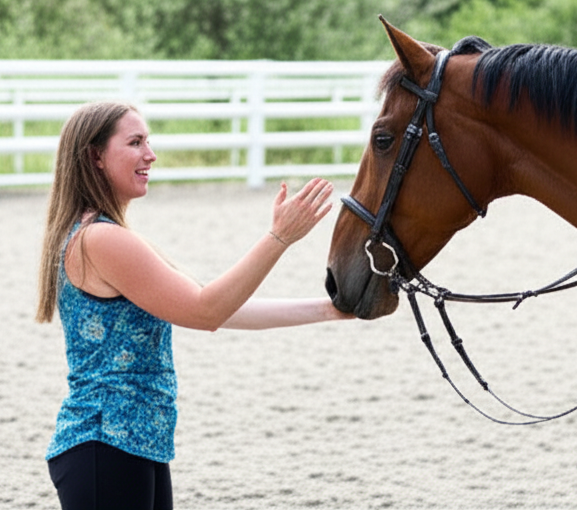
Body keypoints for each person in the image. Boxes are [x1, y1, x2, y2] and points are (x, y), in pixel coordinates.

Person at [35, 100, 351, 510]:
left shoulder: (108, 235)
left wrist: (330, 310)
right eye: (135, 142)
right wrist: (279, 238)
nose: (151, 154)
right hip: (104, 441)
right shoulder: (101, 239)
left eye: (148, 141)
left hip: (134, 441)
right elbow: (206, 311)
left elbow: (219, 307)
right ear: (95, 156)